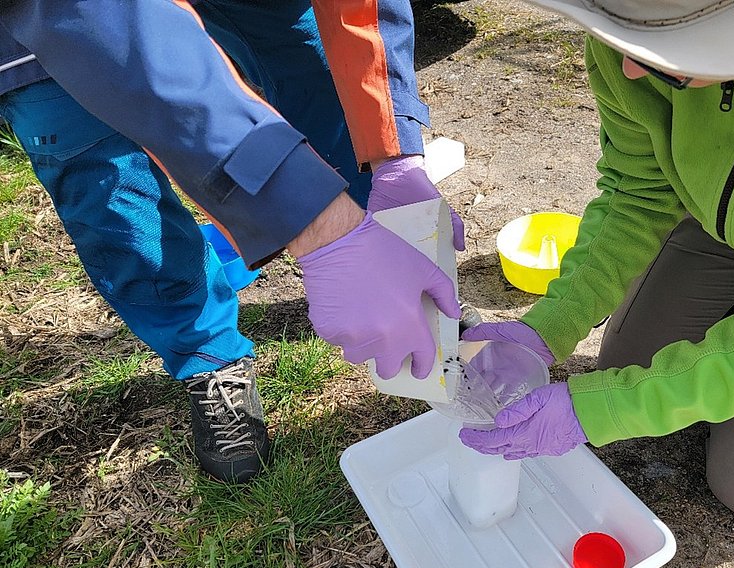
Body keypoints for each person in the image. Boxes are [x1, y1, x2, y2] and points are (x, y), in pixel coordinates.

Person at [460, 0, 734, 521]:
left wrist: (602, 408)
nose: (628, 67)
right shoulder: (631, 38)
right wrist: (549, 326)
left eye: (671, 44)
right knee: (628, 366)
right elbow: (638, 193)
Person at [0, 1, 465, 483]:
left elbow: (362, 12)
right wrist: (322, 229)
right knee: (110, 192)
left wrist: (394, 152)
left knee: (317, 71)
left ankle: (406, 289)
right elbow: (111, 28)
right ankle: (207, 353)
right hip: (55, 20)